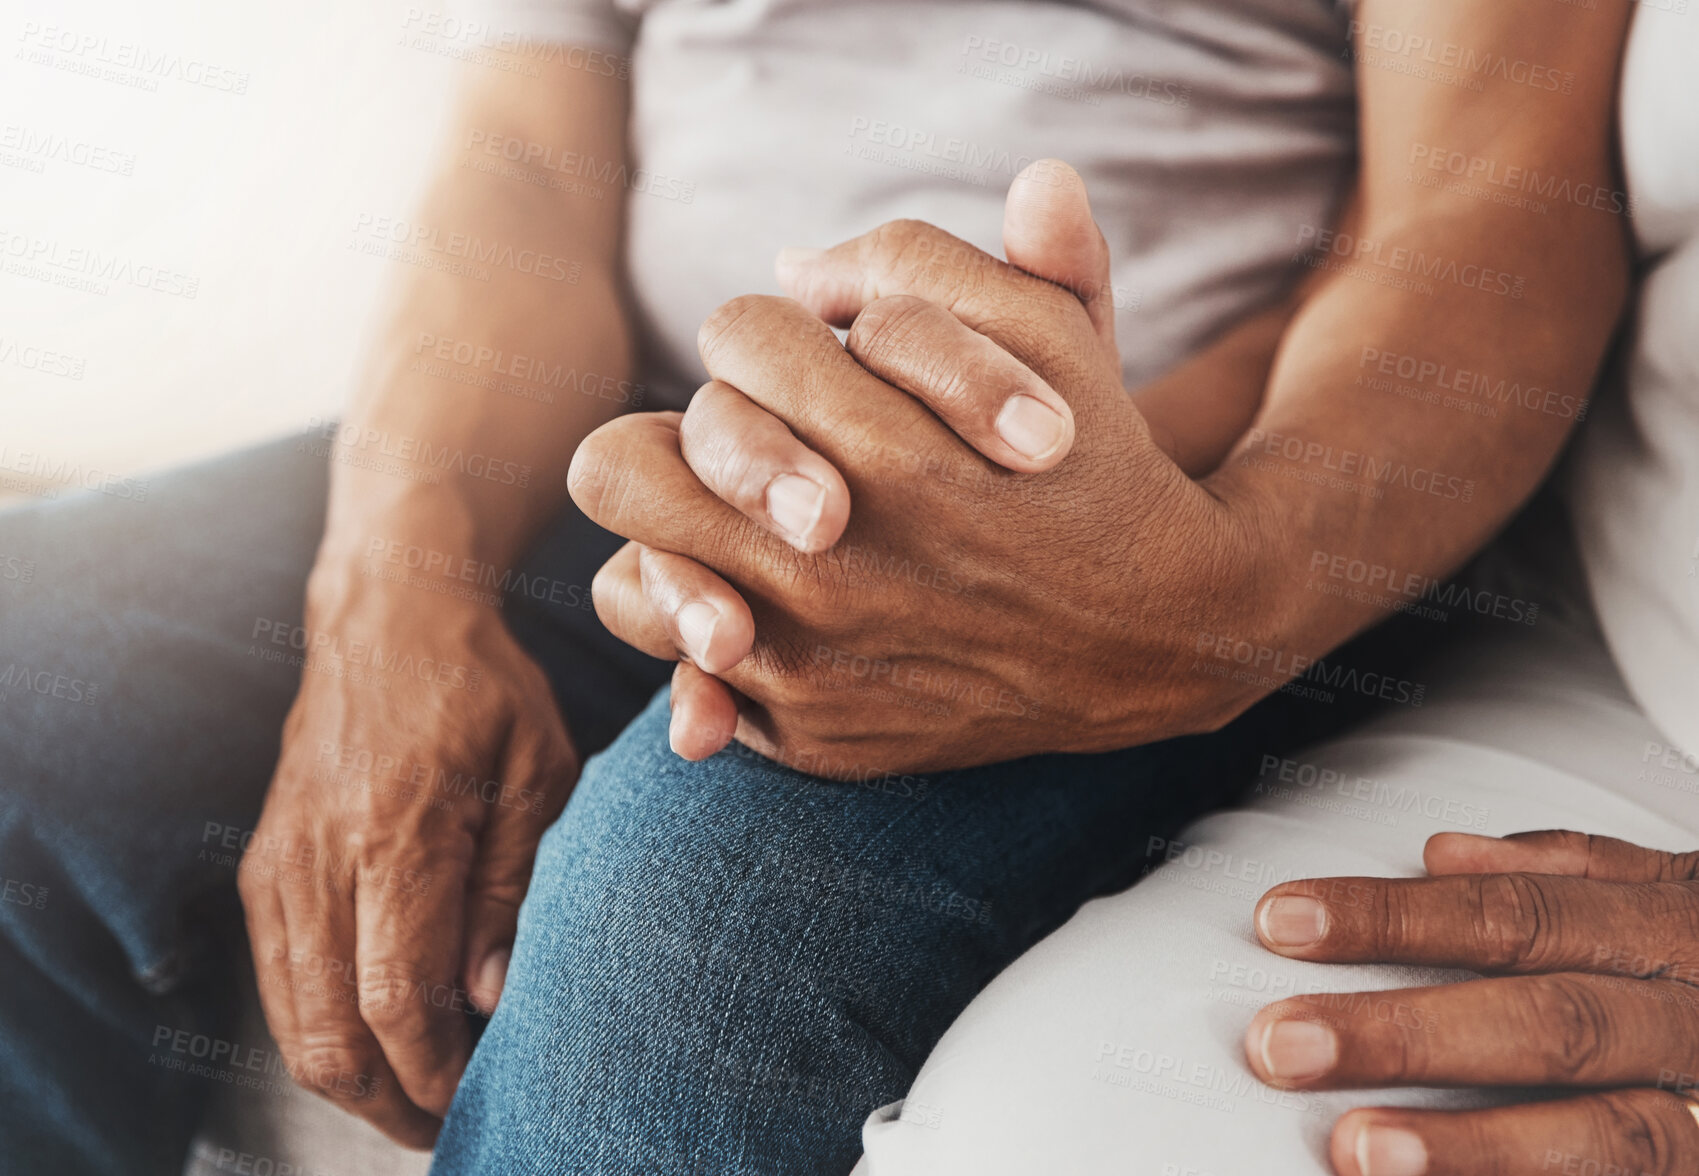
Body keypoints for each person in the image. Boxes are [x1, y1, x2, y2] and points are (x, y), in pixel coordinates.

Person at [4, 0, 1687, 1174]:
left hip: (1169, 486)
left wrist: (1171, 567)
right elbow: (529, 156)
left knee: (689, 944)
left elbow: (1486, 210)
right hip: (647, 428)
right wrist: (392, 595)